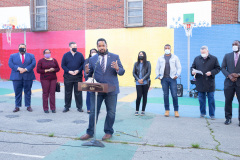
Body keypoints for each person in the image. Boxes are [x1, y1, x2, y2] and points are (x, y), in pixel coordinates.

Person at [80, 38, 125, 141]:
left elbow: (122, 72)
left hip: (111, 90)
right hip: (97, 90)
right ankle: (90, 132)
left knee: (111, 112)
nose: (101, 48)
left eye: (103, 45)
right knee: (93, 112)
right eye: (99, 46)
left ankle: (108, 131)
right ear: (97, 47)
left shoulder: (114, 57)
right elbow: (89, 75)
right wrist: (86, 72)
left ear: (106, 46)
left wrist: (118, 68)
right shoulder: (93, 59)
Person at [191, 46, 220, 119]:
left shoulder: (214, 58)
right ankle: (202, 113)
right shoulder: (197, 58)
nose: (202, 54)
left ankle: (212, 114)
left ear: (207, 51)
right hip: (200, 81)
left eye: (204, 52)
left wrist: (211, 72)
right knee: (201, 99)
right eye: (201, 53)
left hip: (210, 82)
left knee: (211, 99)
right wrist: (193, 71)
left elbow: (218, 68)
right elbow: (192, 67)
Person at [155, 44, 181, 117]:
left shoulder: (175, 57)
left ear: (170, 49)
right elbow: (157, 68)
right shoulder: (160, 58)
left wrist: (177, 75)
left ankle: (176, 111)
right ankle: (167, 110)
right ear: (164, 49)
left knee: (174, 95)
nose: (167, 49)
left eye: (168, 48)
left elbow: (179, 67)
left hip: (172, 79)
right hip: (164, 79)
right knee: (165, 95)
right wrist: (158, 76)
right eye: (166, 48)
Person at [8, 43, 36, 112]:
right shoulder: (13, 56)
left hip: (28, 76)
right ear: (18, 48)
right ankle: (17, 106)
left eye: (23, 47)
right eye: (20, 47)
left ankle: (28, 106)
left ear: (26, 48)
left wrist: (25, 69)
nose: (22, 48)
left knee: (28, 92)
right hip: (16, 77)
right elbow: (10, 64)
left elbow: (33, 63)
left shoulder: (31, 55)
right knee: (17, 92)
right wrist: (18, 68)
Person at [61, 42, 85, 112]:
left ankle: (79, 107)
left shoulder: (80, 55)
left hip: (78, 76)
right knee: (68, 92)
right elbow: (63, 65)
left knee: (78, 92)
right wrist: (68, 71)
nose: (75, 48)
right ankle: (67, 107)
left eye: (76, 46)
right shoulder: (65, 55)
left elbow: (83, 64)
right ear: (70, 47)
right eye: (74, 46)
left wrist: (78, 70)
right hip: (68, 76)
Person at [221, 40, 240, 126]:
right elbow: (223, 67)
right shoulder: (227, 56)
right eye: (233, 44)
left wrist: (238, 75)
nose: (234, 46)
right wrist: (229, 76)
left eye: (236, 44)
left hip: (239, 82)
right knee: (228, 101)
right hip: (229, 83)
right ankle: (228, 118)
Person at [37, 49, 60, 113]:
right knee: (45, 93)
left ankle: (53, 108)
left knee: (52, 93)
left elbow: (58, 68)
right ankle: (45, 108)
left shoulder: (54, 60)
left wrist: (53, 69)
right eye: (46, 53)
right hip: (44, 79)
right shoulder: (41, 61)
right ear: (44, 54)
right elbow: (38, 70)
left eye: (49, 52)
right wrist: (46, 70)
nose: (48, 54)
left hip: (53, 78)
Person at [133, 51, 151, 116]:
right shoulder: (136, 64)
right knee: (139, 96)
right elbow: (134, 73)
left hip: (145, 83)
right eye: (139, 54)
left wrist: (143, 79)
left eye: (142, 54)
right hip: (138, 83)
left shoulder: (148, 63)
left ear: (144, 55)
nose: (140, 55)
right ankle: (137, 110)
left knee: (145, 96)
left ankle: (143, 110)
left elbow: (148, 72)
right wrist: (138, 80)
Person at [84, 48, 98, 114]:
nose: (93, 53)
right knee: (89, 94)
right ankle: (89, 108)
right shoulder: (87, 60)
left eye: (95, 52)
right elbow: (86, 71)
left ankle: (95, 108)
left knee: (97, 94)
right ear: (90, 53)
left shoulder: (99, 59)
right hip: (89, 79)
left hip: (97, 79)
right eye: (92, 52)